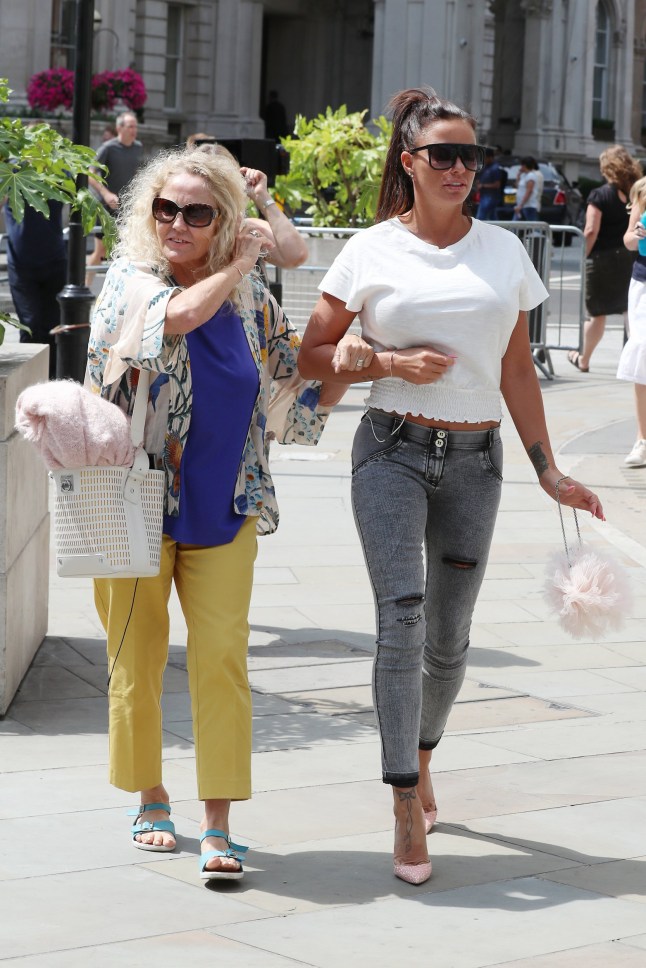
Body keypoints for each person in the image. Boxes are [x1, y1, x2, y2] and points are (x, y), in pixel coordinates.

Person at [297, 87, 604, 886]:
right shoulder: (369, 249)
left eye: (472, 155)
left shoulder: (504, 252)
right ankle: (403, 798)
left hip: (477, 462)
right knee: (399, 620)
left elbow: (514, 370)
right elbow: (310, 356)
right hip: (391, 449)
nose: (461, 168)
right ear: (409, 161)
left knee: (448, 639)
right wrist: (391, 362)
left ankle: (424, 754)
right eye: (444, 154)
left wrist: (550, 469)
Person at [86, 147, 349, 881]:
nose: (175, 222)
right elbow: (174, 320)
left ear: (222, 219)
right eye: (163, 209)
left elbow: (289, 395)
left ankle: (219, 821)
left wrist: (361, 363)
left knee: (223, 665)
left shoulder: (253, 304)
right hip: (130, 504)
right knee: (134, 662)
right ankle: (149, 798)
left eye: (196, 212)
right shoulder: (129, 283)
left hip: (227, 506)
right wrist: (237, 266)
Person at [568, 144, 642, 373]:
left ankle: (584, 359)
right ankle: (636, 361)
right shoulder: (635, 193)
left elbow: (590, 230)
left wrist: (584, 255)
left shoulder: (600, 195)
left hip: (601, 260)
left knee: (597, 314)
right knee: (630, 313)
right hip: (629, 259)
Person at [189, 141, 308, 270]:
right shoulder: (180, 227)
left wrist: (262, 196)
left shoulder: (248, 229)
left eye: (223, 184)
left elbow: (296, 256)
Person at [3, 197, 66, 378]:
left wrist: (104, 193)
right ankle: (28, 382)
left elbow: (83, 181)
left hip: (55, 261)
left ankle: (52, 381)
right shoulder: (11, 172)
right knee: (30, 325)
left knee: (54, 327)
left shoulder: (59, 171)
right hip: (21, 265)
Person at [86, 111, 144, 284]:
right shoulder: (108, 148)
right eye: (130, 126)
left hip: (128, 208)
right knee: (101, 251)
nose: (134, 130)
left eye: (135, 126)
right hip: (106, 207)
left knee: (128, 250)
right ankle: (86, 286)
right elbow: (90, 173)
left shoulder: (138, 147)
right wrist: (106, 193)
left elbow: (136, 171)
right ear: (119, 128)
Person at [617, 176, 646, 466]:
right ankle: (642, 439)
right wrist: (638, 233)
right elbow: (627, 241)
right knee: (643, 354)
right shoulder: (643, 191)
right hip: (644, 284)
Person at [476, 147, 504, 220]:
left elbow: (497, 184)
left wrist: (483, 186)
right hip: (484, 195)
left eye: (485, 158)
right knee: (492, 217)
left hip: (490, 196)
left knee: (481, 216)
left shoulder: (495, 168)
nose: (484, 160)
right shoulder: (486, 167)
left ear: (490, 157)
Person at [513, 156, 543, 221]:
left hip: (528, 205)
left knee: (533, 226)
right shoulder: (523, 175)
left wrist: (521, 204)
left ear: (524, 166)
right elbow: (517, 186)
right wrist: (518, 176)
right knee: (515, 224)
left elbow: (529, 191)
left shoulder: (531, 176)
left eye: (521, 165)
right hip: (521, 205)